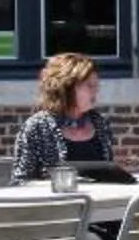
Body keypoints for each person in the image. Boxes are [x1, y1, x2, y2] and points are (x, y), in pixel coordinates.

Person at [11, 52, 116, 184]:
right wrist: (63, 184)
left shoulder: (100, 123)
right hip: (56, 203)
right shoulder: (37, 127)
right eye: (89, 85)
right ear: (67, 88)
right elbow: (20, 181)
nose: (96, 90)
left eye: (97, 85)